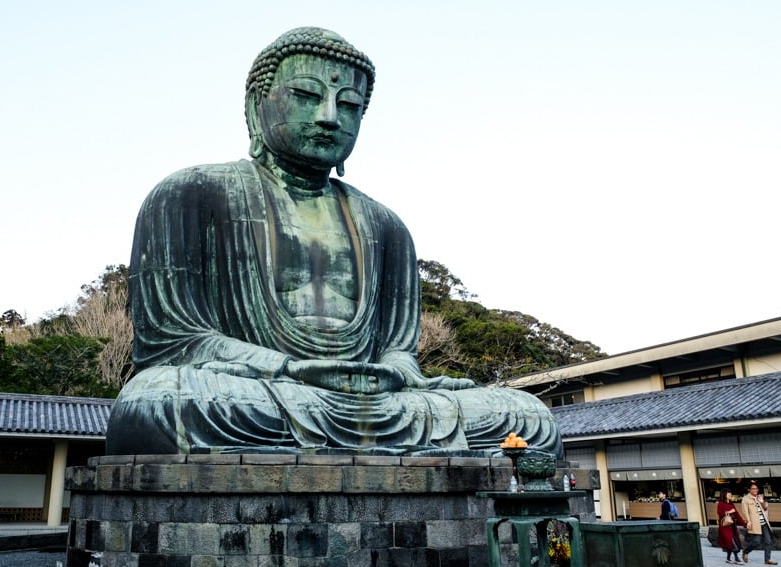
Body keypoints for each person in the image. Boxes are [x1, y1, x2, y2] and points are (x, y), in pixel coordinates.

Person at [105, 27, 563, 457]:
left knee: (526, 418)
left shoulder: (386, 225)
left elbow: (398, 350)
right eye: (306, 95)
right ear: (255, 105)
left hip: (373, 402)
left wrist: (397, 373)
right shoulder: (189, 194)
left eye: (348, 106)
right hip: (256, 391)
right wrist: (287, 369)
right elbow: (174, 343)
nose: (328, 117)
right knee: (157, 402)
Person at [741, 482, 776, 565]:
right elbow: (745, 511)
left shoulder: (759, 497)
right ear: (749, 490)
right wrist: (748, 521)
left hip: (764, 523)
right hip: (755, 524)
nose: (755, 490)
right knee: (756, 541)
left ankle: (767, 559)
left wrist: (762, 501)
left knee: (768, 541)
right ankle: (745, 552)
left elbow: (765, 507)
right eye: (753, 488)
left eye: (756, 489)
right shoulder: (746, 499)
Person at [717, 488, 745, 564]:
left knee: (733, 542)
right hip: (725, 527)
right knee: (732, 542)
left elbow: (737, 515)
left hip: (732, 527)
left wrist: (744, 524)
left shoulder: (731, 504)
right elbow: (720, 514)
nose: (730, 496)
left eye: (730, 494)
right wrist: (729, 512)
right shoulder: (720, 504)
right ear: (724, 495)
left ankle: (728, 559)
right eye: (729, 494)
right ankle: (736, 559)